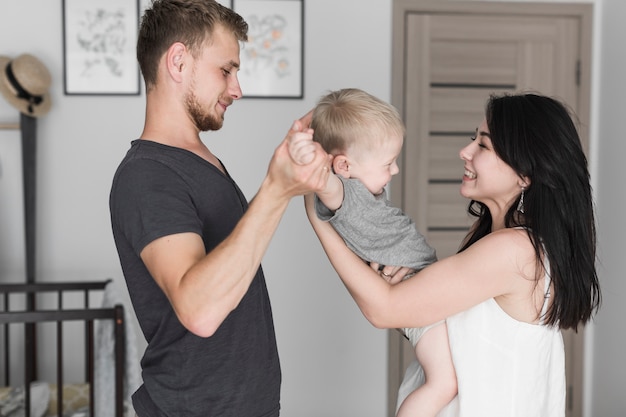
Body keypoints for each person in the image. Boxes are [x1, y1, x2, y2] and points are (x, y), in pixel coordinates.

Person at [304, 92, 601, 416]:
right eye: (473, 139)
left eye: (483, 145)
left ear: (524, 174)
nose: (465, 151)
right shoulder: (502, 239)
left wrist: (317, 217)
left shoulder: (515, 250)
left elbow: (384, 310)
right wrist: (410, 294)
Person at [108, 1, 330, 416]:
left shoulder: (200, 161)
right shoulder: (147, 175)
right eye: (225, 70)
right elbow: (201, 311)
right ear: (178, 61)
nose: (236, 88)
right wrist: (276, 190)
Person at [289, 88, 456, 416]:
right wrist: (306, 156)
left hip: (423, 290)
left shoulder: (355, 190)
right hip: (418, 297)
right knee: (444, 382)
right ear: (344, 165)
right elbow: (325, 183)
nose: (394, 171)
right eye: (388, 163)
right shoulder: (343, 194)